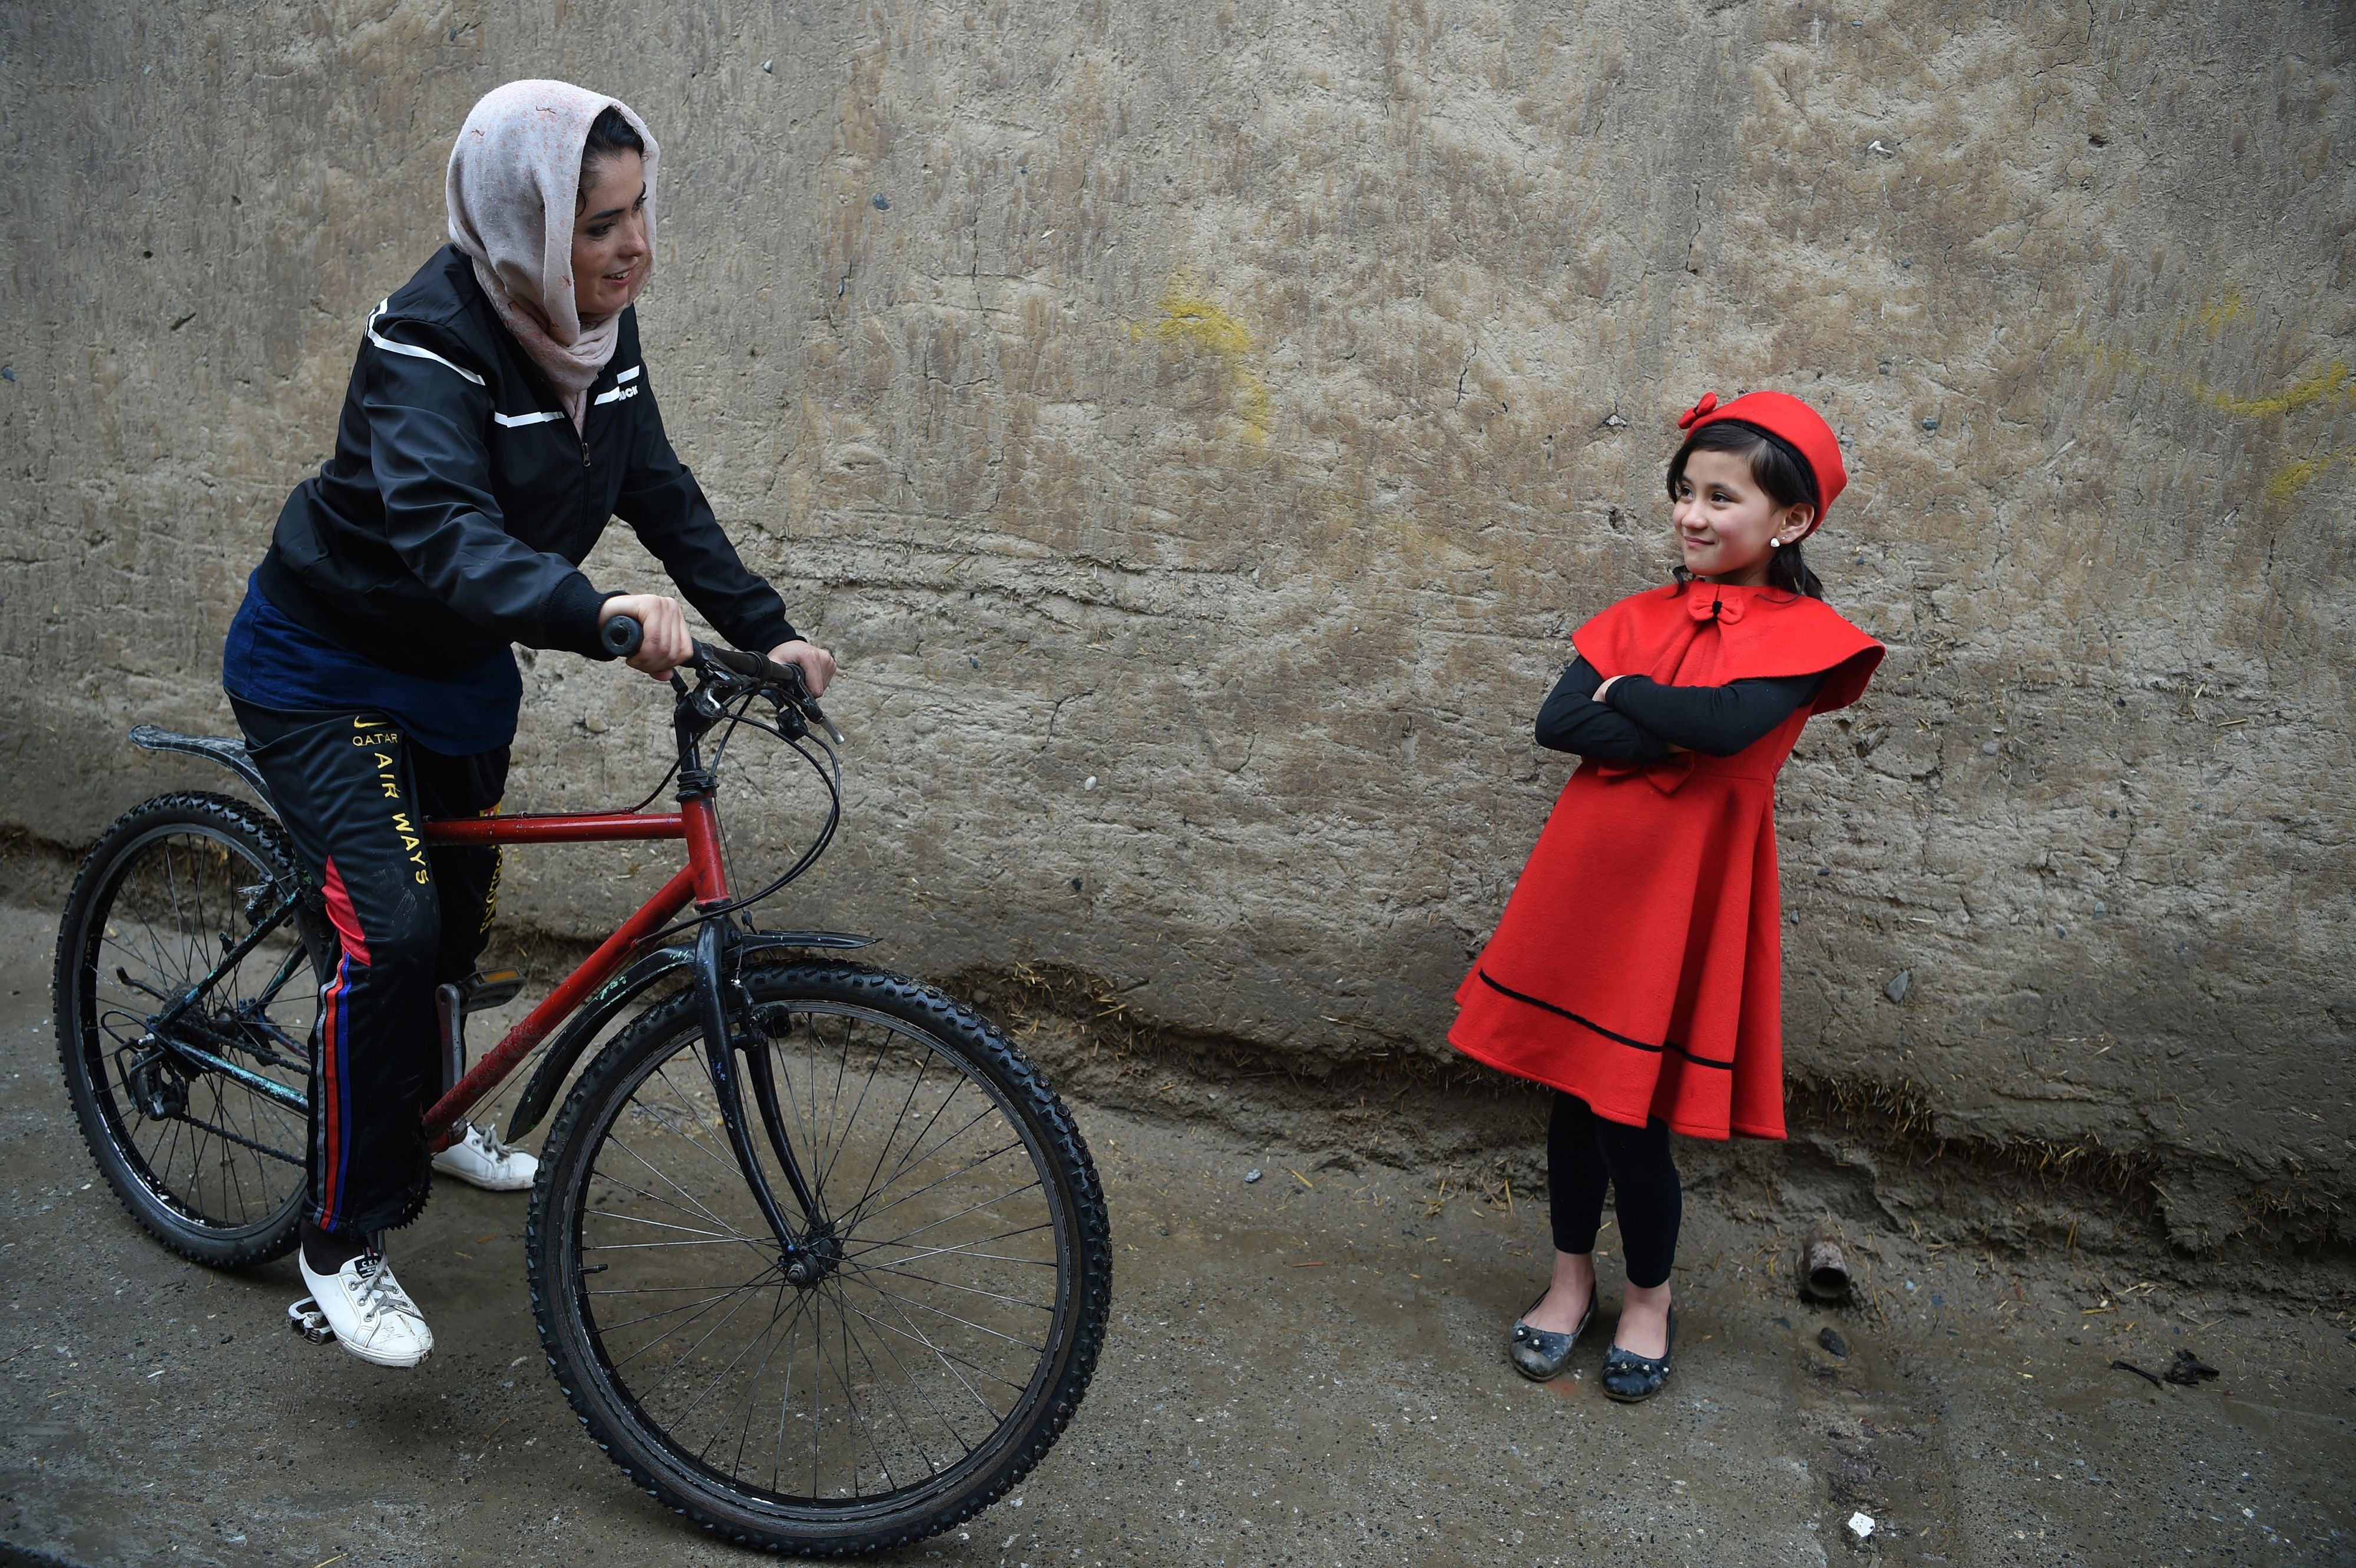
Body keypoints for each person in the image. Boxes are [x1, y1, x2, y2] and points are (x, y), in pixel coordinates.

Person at [221, 80, 835, 1367]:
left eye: (639, 211)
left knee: (462, 904)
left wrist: (764, 628)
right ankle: (338, 1239)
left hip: (456, 673)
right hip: (324, 667)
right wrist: (594, 608)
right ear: (523, 224)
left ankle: (434, 1123)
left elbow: (656, 490)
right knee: (388, 929)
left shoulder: (596, 337)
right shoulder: (425, 340)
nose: (633, 246)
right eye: (597, 223)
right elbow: (445, 535)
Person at [1448, 391, 1883, 1402]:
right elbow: (1561, 720)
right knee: (1571, 1090)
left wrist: (1629, 697)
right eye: (1684, 491)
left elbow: (1732, 728)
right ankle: (1568, 1281)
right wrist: (1660, 720)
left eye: (1720, 496)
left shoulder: (1809, 636)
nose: (1691, 514)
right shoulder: (1639, 615)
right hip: (1591, 875)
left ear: (1792, 521)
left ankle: (1649, 1298)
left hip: (1686, 895)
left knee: (1630, 1113)